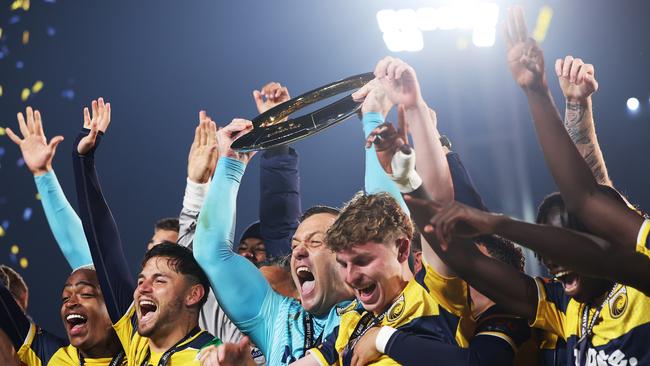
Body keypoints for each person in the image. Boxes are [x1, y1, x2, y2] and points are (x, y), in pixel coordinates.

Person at [71, 98, 216, 364]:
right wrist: (82, 159)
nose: (141, 290)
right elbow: (104, 246)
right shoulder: (137, 341)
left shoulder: (209, 358)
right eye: (140, 281)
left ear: (193, 294)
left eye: (159, 280)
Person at [4, 105, 126, 365]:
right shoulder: (56, 357)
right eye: (65, 296)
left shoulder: (143, 350)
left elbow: (103, 250)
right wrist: (42, 175)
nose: (70, 302)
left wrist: (83, 162)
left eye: (85, 294)